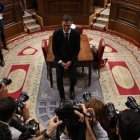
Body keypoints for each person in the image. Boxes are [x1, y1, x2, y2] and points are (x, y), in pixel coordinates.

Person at [52, 15, 80, 100]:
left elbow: (77, 49)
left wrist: (70, 61)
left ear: (71, 24)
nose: (66, 27)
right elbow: (54, 50)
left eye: (68, 25)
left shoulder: (76, 34)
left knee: (73, 78)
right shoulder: (56, 33)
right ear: (62, 24)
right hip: (59, 59)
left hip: (71, 59)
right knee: (59, 78)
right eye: (64, 25)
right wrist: (60, 62)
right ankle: (62, 96)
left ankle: (71, 90)